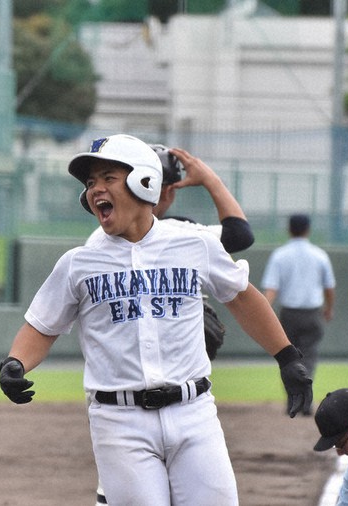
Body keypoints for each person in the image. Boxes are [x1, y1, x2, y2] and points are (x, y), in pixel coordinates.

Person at [0, 134, 313, 505]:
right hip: (119, 421)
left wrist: (287, 356)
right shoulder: (79, 262)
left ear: (144, 181)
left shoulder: (193, 243)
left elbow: (242, 297)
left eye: (108, 178)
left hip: (194, 413)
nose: (96, 189)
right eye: (91, 183)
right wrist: (16, 362)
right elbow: (42, 326)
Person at [86, 144, 254, 505]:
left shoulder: (98, 241)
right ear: (166, 191)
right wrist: (209, 180)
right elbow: (241, 234)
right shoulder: (185, 232)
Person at [261, 213, 335, 415]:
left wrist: (264, 312)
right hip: (312, 314)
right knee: (308, 358)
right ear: (308, 229)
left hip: (289, 315)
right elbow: (329, 287)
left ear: (289, 229)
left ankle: (292, 402)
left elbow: (271, 289)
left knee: (288, 358)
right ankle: (306, 403)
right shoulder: (320, 255)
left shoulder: (279, 255)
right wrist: (329, 308)